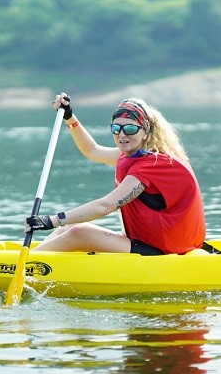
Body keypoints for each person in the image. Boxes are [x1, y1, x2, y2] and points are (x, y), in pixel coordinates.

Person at [24, 93, 206, 255]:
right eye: (116, 129)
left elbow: (106, 206)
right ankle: (32, 258)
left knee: (78, 233)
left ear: (145, 132)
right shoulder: (134, 155)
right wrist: (70, 117)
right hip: (148, 242)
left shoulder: (153, 164)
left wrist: (53, 220)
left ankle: (21, 267)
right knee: (70, 227)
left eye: (130, 129)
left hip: (164, 250)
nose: (122, 135)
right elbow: (92, 150)